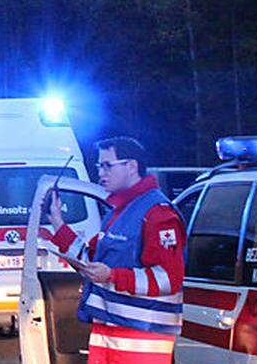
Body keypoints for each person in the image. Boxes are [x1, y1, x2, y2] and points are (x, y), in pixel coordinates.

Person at [47, 136, 186, 363]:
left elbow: (169, 279)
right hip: (110, 331)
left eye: (107, 165)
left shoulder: (157, 213)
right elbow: (94, 262)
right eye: (98, 166)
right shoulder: (118, 212)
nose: (101, 173)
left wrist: (111, 275)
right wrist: (58, 224)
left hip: (142, 337)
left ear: (131, 166)